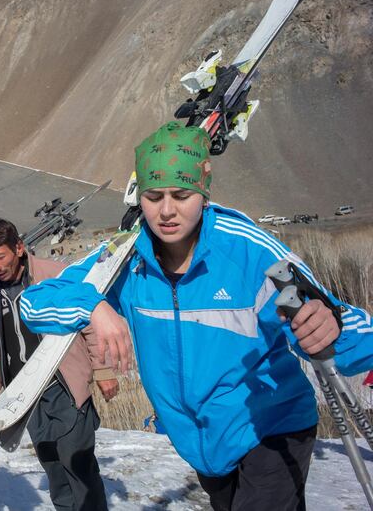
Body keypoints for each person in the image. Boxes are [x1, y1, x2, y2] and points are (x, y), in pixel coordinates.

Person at [19, 121, 373, 510]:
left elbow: (326, 315)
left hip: (272, 429)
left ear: (203, 194)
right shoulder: (122, 258)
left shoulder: (249, 249)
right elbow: (34, 302)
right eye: (154, 196)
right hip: (204, 446)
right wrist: (93, 306)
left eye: (181, 194)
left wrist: (329, 323)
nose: (167, 210)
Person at [0, 218, 118, 511]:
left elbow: (88, 322)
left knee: (77, 459)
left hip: (63, 382)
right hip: (24, 391)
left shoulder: (55, 275)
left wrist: (104, 370)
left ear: (19, 248)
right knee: (52, 463)